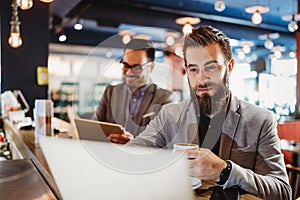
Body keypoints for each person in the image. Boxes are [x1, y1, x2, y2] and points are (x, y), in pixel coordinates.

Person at [128, 26, 291, 199]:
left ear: (230, 66)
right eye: (193, 69)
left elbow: (282, 191)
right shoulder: (170, 115)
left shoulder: (260, 120)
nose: (201, 79)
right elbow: (130, 155)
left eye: (211, 67)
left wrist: (225, 171)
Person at [93, 38, 177, 144]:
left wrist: (134, 144)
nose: (129, 72)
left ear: (151, 66)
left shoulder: (166, 98)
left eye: (137, 67)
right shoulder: (110, 92)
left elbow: (168, 140)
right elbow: (94, 127)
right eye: (125, 65)